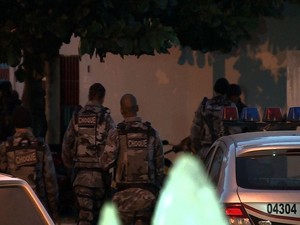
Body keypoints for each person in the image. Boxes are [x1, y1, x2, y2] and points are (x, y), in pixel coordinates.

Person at [100, 93, 165, 225]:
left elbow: (104, 164)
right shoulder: (152, 133)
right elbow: (160, 170)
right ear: (138, 108)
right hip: (147, 200)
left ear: (121, 110)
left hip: (122, 201)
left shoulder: (116, 134)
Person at [61, 83, 116, 225]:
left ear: (89, 95)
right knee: (98, 218)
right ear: (102, 98)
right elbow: (115, 146)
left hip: (80, 177)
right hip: (100, 179)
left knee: (84, 218)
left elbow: (67, 143)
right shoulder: (106, 118)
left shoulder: (77, 116)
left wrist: (69, 167)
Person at [0, 105, 59, 222]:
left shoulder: (5, 147)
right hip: (37, 208)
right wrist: (54, 211)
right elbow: (50, 182)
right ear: (31, 122)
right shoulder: (41, 146)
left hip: (12, 207)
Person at [190, 77, 236, 160]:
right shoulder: (230, 107)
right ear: (227, 91)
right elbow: (234, 131)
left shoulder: (204, 106)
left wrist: (197, 147)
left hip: (206, 150)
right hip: (224, 150)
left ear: (214, 90)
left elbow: (195, 129)